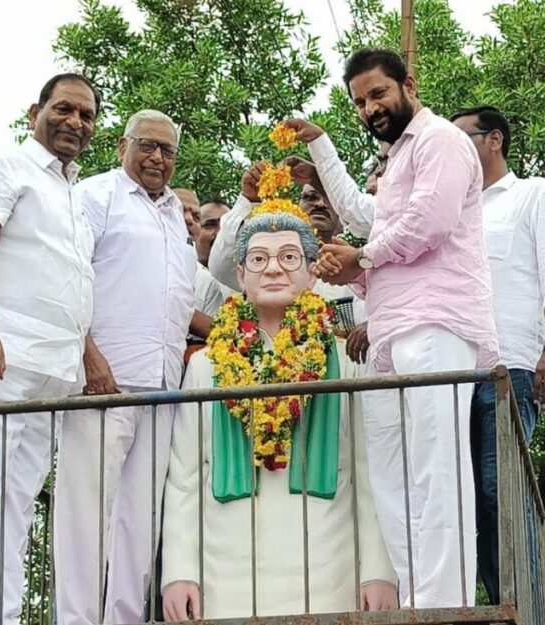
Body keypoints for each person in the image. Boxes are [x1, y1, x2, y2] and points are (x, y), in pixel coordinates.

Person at [312, 48, 499, 608]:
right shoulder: (394, 162)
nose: (370, 108)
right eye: (360, 103)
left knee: (436, 471)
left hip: (439, 325)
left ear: (407, 84)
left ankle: (445, 607)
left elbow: (430, 223)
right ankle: (419, 601)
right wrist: (351, 263)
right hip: (391, 336)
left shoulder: (440, 140)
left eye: (377, 94)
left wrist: (360, 260)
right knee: (391, 477)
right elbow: (371, 226)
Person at [160, 208, 398, 619]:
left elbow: (370, 472)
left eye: (289, 258)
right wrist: (179, 571)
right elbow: (185, 476)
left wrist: (378, 571)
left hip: (328, 560)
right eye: (258, 260)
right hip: (226, 563)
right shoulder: (207, 365)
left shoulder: (346, 360)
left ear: (311, 273)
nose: (273, 269)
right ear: (240, 276)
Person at [0, 73, 99, 625]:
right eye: (65, 109)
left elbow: (65, 282)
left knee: (15, 512)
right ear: (37, 111)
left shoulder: (73, 193)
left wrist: (87, 359)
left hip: (51, 374)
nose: (75, 122)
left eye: (86, 115)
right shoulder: (4, 165)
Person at [54, 110, 196, 625]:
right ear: (123, 146)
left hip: (162, 389)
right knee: (86, 513)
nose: (158, 158)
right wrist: (89, 357)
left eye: (168, 150)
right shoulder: (95, 196)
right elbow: (67, 280)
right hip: (104, 382)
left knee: (139, 520)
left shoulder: (176, 215)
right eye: (148, 145)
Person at [450, 106, 545, 604]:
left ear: (494, 140)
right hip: (451, 373)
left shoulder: (535, 196)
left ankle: (525, 607)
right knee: (465, 506)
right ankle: (497, 603)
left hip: (510, 370)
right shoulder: (454, 210)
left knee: (499, 490)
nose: (455, 150)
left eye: (464, 139)